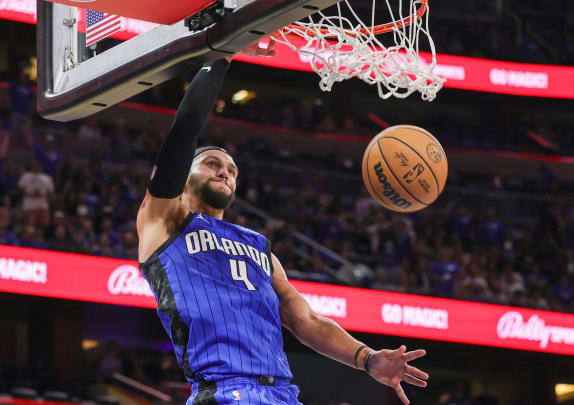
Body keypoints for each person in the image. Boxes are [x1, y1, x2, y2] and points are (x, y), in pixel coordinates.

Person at [136, 39, 428, 405]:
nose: (225, 172)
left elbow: (305, 320)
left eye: (231, 170)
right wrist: (223, 54)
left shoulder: (260, 249)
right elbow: (185, 128)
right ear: (184, 175)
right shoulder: (164, 221)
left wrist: (367, 359)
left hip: (283, 394)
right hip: (224, 391)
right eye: (212, 164)